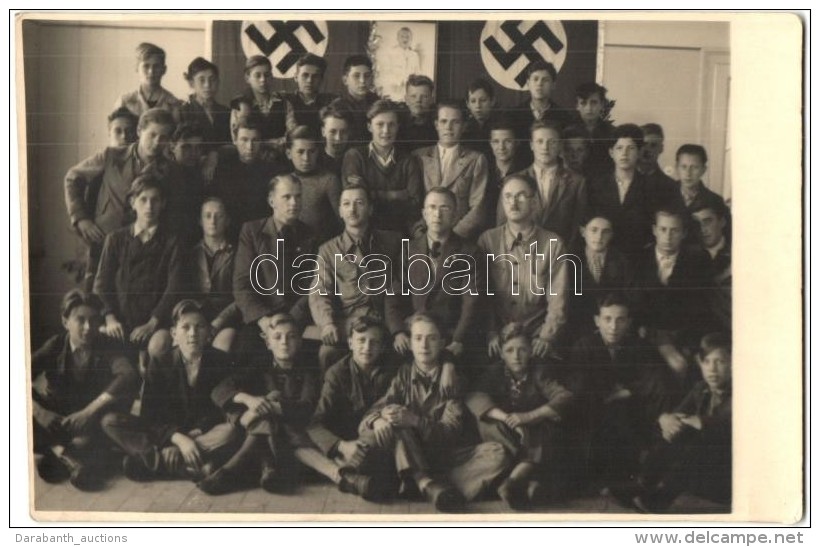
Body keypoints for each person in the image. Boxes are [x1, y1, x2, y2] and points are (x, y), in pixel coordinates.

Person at [359, 313, 510, 512]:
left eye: (432, 338)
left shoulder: (454, 380)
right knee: (391, 424)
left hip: (443, 455)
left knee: (498, 453)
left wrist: (414, 420)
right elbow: (373, 412)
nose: (424, 345)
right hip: (410, 448)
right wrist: (379, 419)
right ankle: (429, 484)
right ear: (410, 344)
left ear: (442, 343)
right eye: (418, 338)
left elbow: (450, 433)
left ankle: (425, 482)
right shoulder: (403, 374)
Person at [101, 300, 240, 483]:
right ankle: (186, 468)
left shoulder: (220, 361)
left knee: (231, 431)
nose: (193, 334)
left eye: (199, 327)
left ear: (208, 333)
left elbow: (217, 411)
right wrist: (176, 440)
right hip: (167, 433)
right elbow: (150, 415)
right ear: (174, 333)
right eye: (186, 328)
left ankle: (155, 464)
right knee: (110, 422)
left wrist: (191, 437)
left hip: (201, 434)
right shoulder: (160, 363)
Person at [609, 333, 732, 513]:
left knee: (693, 435)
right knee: (675, 426)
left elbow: (733, 430)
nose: (712, 369)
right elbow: (674, 414)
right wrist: (665, 418)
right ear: (700, 364)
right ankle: (642, 485)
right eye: (707, 362)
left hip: (727, 480)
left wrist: (701, 422)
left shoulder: (741, 392)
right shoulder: (701, 388)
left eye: (720, 362)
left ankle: (661, 498)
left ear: (733, 364)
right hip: (698, 471)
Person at [200, 313, 319, 495]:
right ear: (268, 343)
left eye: (291, 336)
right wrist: (249, 399)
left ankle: (230, 470)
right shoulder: (259, 365)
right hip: (263, 438)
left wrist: (272, 405)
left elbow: (307, 406)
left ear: (300, 341)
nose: (284, 342)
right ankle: (268, 468)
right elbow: (220, 390)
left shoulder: (309, 367)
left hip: (294, 439)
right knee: (264, 414)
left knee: (270, 404)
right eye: (277, 337)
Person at [32, 290, 138, 491]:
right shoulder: (55, 345)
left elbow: (128, 375)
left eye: (94, 320)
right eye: (80, 320)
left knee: (104, 429)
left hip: (93, 421)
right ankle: (66, 456)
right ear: (65, 322)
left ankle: (61, 455)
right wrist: (41, 412)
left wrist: (88, 412)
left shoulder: (108, 345)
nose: (88, 328)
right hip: (58, 419)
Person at [568, 292, 675, 486]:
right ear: (597, 321)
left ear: (629, 322)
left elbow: (656, 378)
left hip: (631, 412)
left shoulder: (638, 346)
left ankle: (644, 471)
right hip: (595, 416)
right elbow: (580, 387)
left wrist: (627, 391)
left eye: (620, 320)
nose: (613, 327)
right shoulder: (583, 347)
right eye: (607, 319)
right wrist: (610, 392)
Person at [64, 107, 177, 291]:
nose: (157, 142)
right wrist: (81, 218)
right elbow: (72, 177)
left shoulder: (169, 171)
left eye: (164, 137)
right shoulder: (110, 156)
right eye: (152, 134)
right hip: (103, 239)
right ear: (140, 131)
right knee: (96, 296)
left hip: (142, 250)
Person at [467, 322, 574, 509]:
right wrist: (508, 420)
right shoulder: (494, 372)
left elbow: (564, 397)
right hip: (509, 435)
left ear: (531, 351)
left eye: (522, 350)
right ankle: (528, 484)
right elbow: (475, 397)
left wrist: (529, 416)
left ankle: (512, 483)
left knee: (547, 431)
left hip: (533, 433)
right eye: (509, 350)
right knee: (488, 424)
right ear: (501, 353)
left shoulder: (539, 371)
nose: (516, 356)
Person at [388, 187, 485, 380]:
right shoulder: (409, 249)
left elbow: (472, 300)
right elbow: (394, 294)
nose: (437, 214)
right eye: (431, 208)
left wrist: (458, 339)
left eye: (445, 208)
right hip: (415, 336)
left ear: (456, 214)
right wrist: (398, 331)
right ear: (424, 213)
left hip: (450, 336)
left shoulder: (469, 252)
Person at [300, 317, 399, 500]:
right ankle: (349, 473)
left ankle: (353, 473)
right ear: (351, 343)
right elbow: (315, 423)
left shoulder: (392, 370)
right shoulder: (337, 374)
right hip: (348, 441)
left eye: (374, 342)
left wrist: (378, 418)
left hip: (376, 437)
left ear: (383, 347)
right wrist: (342, 446)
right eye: (361, 340)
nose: (367, 347)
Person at [309, 183, 404, 371]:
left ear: (370, 208)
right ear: (340, 211)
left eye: (359, 203)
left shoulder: (393, 241)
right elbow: (320, 291)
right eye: (346, 204)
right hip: (349, 324)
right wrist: (327, 323)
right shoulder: (328, 250)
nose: (352, 209)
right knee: (327, 353)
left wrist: (399, 326)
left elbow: (402, 285)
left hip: (385, 321)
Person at [478, 174, 572, 363]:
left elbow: (558, 299)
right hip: (497, 336)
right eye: (508, 196)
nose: (513, 202)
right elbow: (482, 295)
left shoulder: (552, 243)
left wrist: (546, 336)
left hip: (537, 334)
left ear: (534, 202)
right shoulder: (488, 240)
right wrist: (490, 332)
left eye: (521, 196)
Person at [93, 173, 184, 365]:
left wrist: (152, 323)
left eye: (155, 200)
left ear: (163, 204)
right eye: (143, 200)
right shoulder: (116, 239)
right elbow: (101, 283)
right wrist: (110, 317)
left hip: (156, 323)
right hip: (120, 322)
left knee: (158, 347)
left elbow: (174, 287)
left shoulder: (171, 241)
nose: (149, 206)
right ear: (133, 203)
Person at [233, 174, 318, 364]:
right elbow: (242, 284)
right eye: (287, 197)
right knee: (244, 354)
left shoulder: (310, 235)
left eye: (298, 196)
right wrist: (263, 319)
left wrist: (292, 319)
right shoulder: (252, 232)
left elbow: (312, 285)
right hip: (263, 318)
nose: (294, 203)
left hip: (298, 317)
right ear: (272, 200)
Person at [588, 123, 677, 259]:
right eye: (619, 148)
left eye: (631, 148)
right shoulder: (596, 185)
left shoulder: (653, 188)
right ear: (611, 153)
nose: (624, 154)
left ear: (640, 152)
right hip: (603, 258)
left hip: (639, 259)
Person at [498, 120, 587, 249]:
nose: (545, 147)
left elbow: (576, 227)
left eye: (551, 142)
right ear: (531, 145)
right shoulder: (512, 181)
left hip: (560, 255)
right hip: (520, 255)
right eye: (540, 141)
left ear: (560, 146)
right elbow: (501, 225)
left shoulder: (576, 182)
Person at [341, 99, 424, 235]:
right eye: (380, 124)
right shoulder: (355, 156)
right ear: (369, 127)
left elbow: (414, 204)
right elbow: (356, 202)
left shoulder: (408, 161)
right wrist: (399, 194)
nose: (386, 131)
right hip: (365, 233)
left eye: (391, 125)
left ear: (398, 126)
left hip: (400, 233)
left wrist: (372, 192)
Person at [413, 100, 490, 240]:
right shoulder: (419, 157)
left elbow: (478, 208)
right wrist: (423, 235)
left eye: (455, 122)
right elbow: (412, 203)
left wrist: (452, 238)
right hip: (424, 237)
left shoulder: (475, 159)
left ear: (464, 126)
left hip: (459, 239)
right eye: (443, 121)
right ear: (436, 125)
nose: (448, 127)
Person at [210, 115, 286, 239]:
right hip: (230, 235)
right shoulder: (223, 170)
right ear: (235, 140)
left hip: (261, 236)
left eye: (255, 140)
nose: (250, 147)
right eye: (244, 140)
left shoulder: (271, 171)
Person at [566, 213, 633, 343]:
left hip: (611, 329)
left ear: (612, 235)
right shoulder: (570, 260)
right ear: (583, 231)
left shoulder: (621, 260)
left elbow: (629, 296)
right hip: (577, 327)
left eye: (605, 232)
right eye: (594, 230)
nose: (599, 237)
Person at [190, 197, 242, 352]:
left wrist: (219, 321)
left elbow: (241, 296)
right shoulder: (190, 253)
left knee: (221, 348)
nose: (213, 221)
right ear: (200, 221)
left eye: (219, 216)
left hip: (227, 318)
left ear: (227, 221)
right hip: (196, 317)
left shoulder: (238, 253)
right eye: (207, 216)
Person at [179, 57, 232, 183]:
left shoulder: (226, 112)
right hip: (191, 172)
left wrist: (214, 154)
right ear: (191, 83)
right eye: (201, 80)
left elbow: (233, 144)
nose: (207, 85)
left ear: (218, 82)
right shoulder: (183, 111)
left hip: (223, 172)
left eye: (212, 80)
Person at [286, 125, 342, 242]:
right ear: (289, 153)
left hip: (321, 250)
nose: (306, 158)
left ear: (318, 152)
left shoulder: (329, 181)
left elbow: (343, 221)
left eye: (311, 151)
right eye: (300, 152)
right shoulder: (284, 182)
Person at [510, 60, 573, 164]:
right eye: (535, 79)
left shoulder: (564, 117)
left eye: (545, 80)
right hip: (521, 172)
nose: (539, 84)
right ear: (528, 83)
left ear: (553, 84)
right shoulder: (513, 115)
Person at [114, 42, 181, 122]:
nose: (151, 71)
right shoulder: (125, 102)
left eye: (156, 66)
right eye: (146, 66)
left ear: (164, 69)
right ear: (136, 68)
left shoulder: (174, 105)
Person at [691, 202, 732, 332]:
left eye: (707, 221)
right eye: (697, 224)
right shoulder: (687, 255)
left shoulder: (739, 252)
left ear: (722, 222)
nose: (702, 229)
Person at [483, 118, 528, 229]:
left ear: (517, 143)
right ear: (490, 144)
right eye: (496, 142)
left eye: (507, 141)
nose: (501, 147)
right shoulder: (482, 170)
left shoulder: (525, 174)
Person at [165, 123, 206, 245]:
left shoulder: (201, 172)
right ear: (172, 146)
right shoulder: (163, 174)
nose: (193, 153)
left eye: (198, 148)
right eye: (186, 147)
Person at [284, 53, 336, 136]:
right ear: (296, 77)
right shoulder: (284, 101)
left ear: (321, 79)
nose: (309, 81)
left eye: (315, 76)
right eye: (305, 75)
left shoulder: (331, 102)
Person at [334, 55, 380, 146]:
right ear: (345, 80)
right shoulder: (337, 108)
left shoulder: (378, 104)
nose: (362, 81)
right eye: (356, 76)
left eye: (367, 76)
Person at [242, 55, 287, 145]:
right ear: (247, 78)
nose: (263, 80)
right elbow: (238, 140)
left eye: (267, 75)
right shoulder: (241, 104)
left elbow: (292, 134)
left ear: (271, 76)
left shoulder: (284, 102)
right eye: (257, 75)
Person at [397, 74, 437, 153]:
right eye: (413, 96)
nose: (418, 100)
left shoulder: (437, 124)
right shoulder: (398, 123)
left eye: (424, 96)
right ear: (406, 99)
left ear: (432, 100)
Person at [462, 78, 498, 161]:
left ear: (492, 101)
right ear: (467, 104)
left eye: (483, 100)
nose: (478, 106)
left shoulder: (499, 125)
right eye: (473, 101)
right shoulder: (463, 129)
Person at [318, 103, 352, 178]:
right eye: (332, 132)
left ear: (349, 132)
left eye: (343, 132)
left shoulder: (355, 160)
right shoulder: (315, 161)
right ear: (323, 131)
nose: (338, 138)